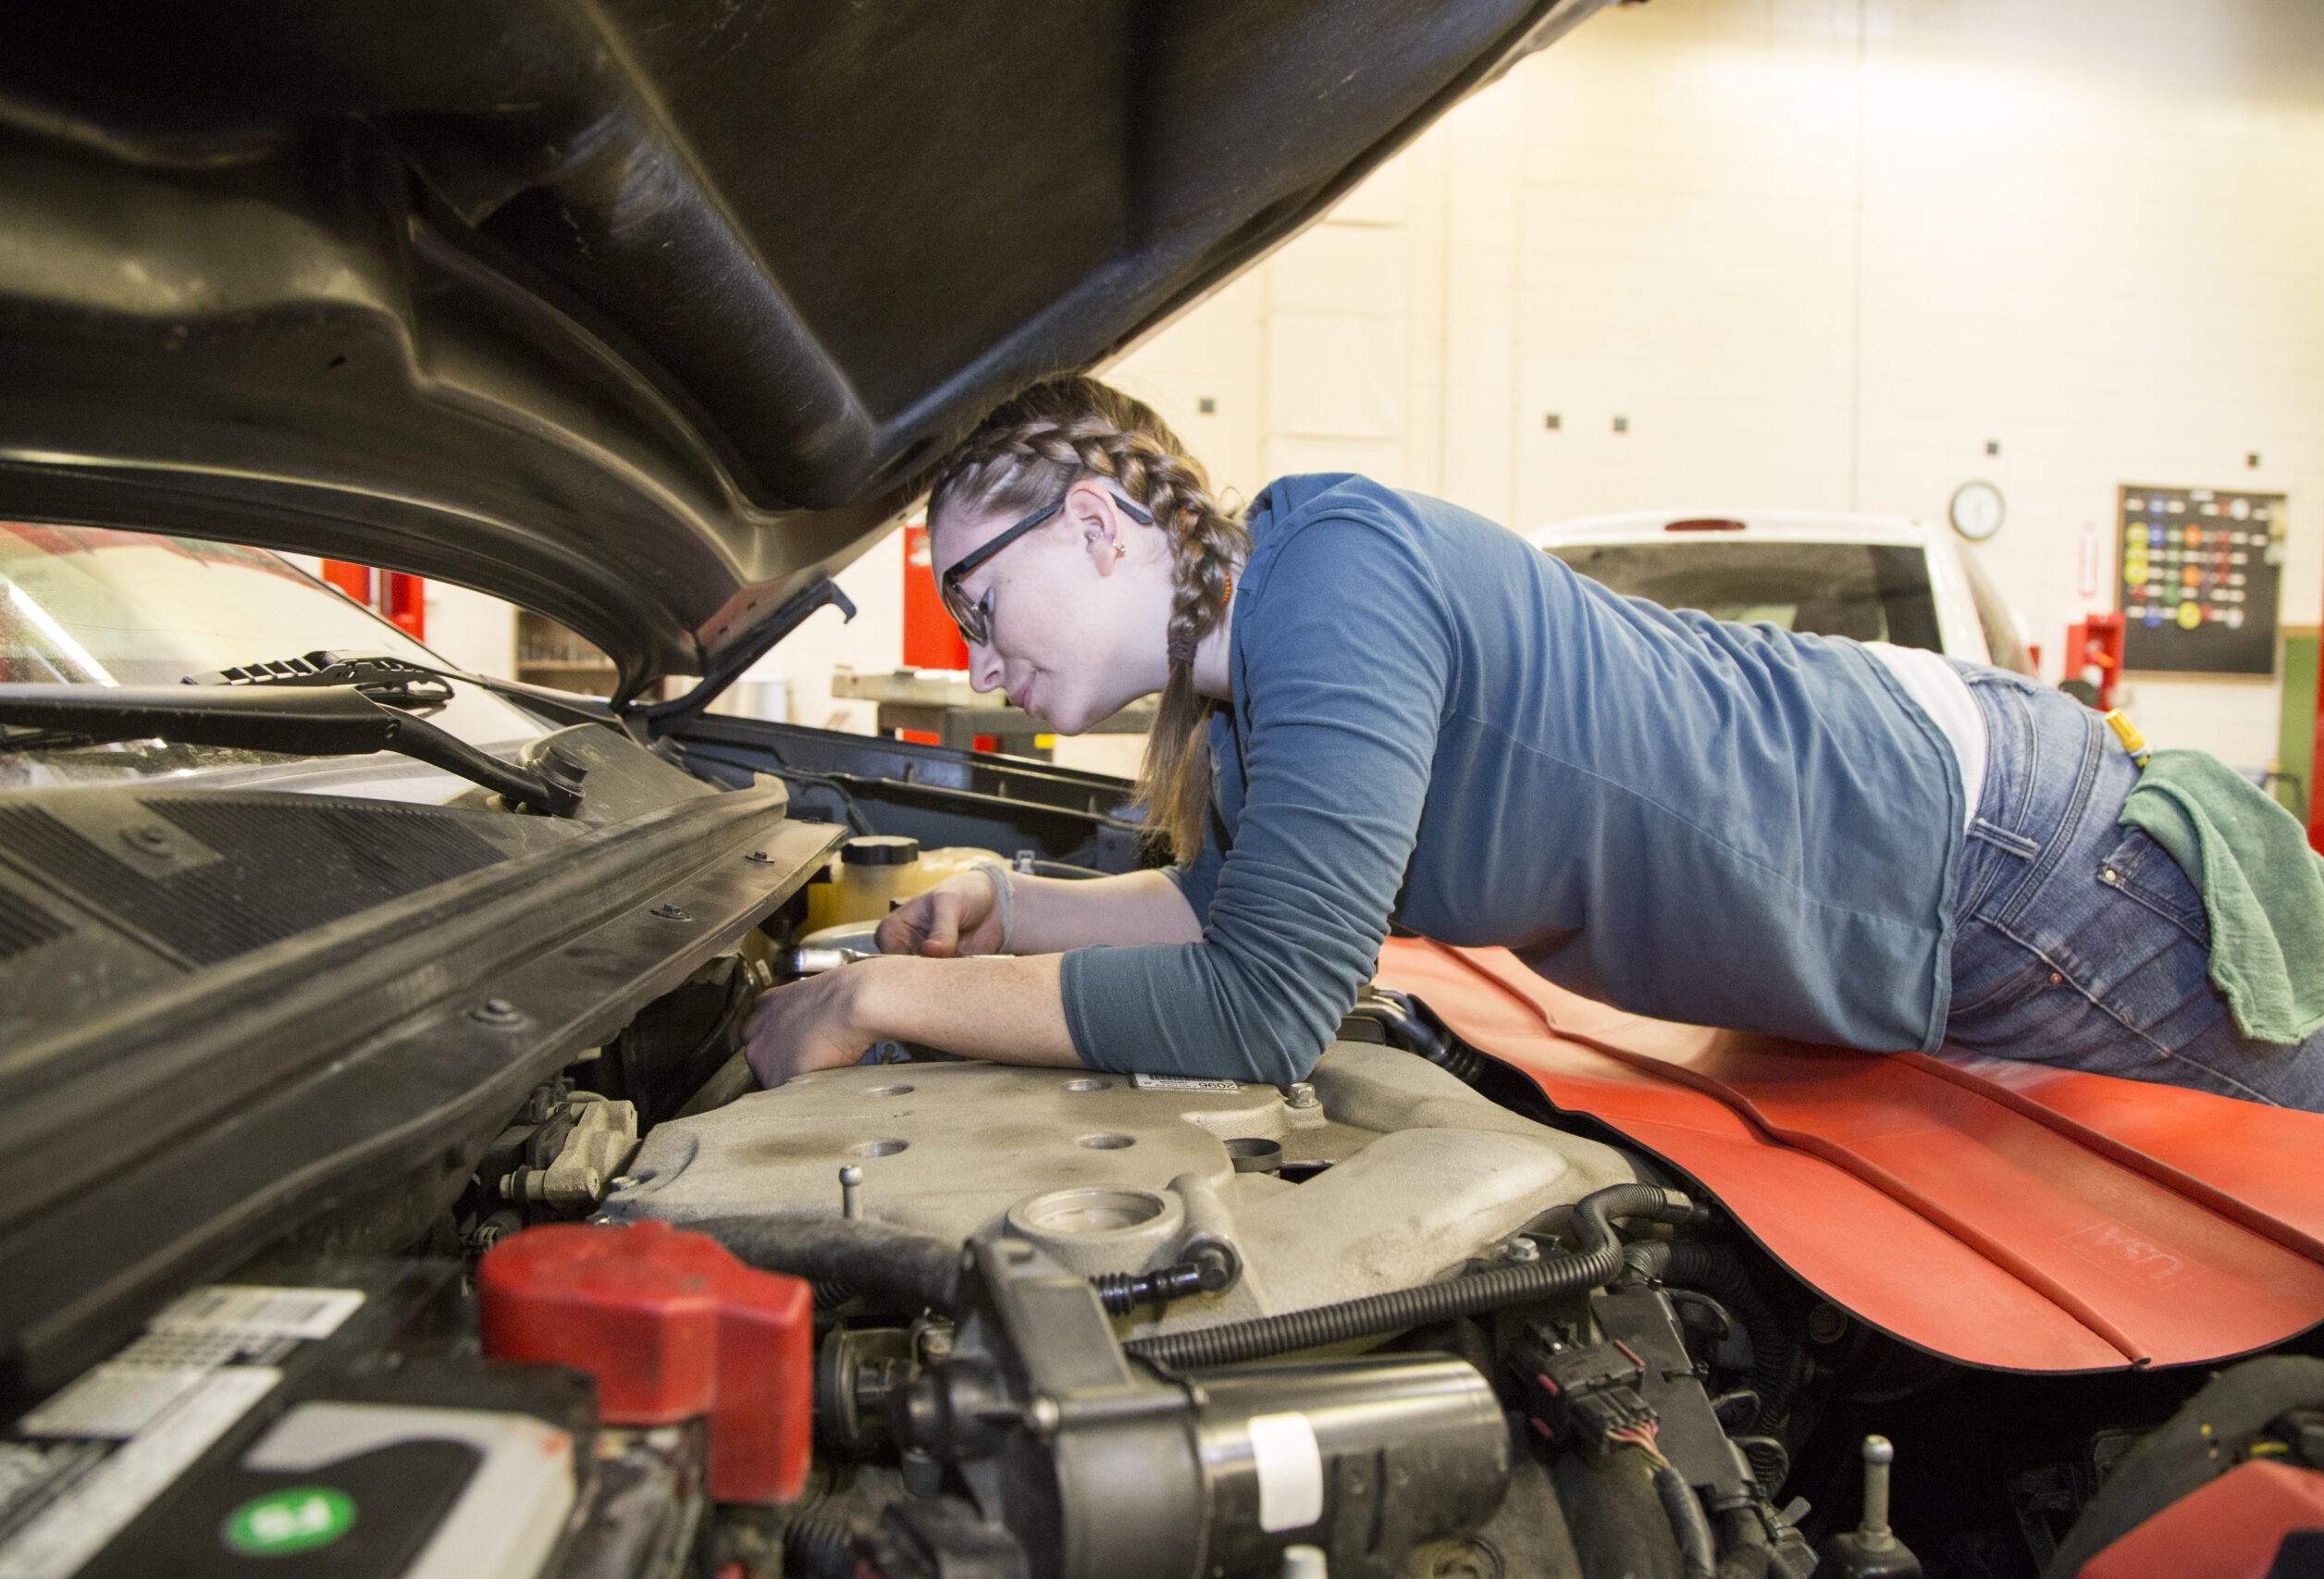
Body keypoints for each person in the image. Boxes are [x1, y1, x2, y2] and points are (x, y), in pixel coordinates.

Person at [744, 376, 2324, 1111]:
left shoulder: (1335, 574)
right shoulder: (1250, 702)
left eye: (974, 592)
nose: (968, 644)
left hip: (2006, 856)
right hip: (1933, 863)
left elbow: (1263, 1009)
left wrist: (892, 992)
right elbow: (1239, 917)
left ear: (1095, 526)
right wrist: (1008, 911)